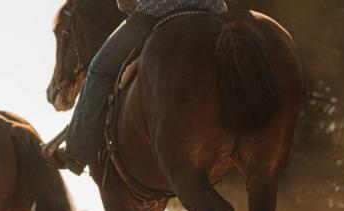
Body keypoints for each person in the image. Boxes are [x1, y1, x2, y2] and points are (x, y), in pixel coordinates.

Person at [48, 0, 228, 175]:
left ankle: (77, 153)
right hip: (214, 7)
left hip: (158, 9)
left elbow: (126, 3)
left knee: (98, 70)